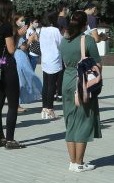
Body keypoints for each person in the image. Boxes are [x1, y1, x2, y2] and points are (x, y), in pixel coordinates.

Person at [61, 10, 102, 171]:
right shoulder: (88, 40)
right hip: (82, 82)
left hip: (67, 80)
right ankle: (79, 162)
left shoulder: (64, 40)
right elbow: (98, 64)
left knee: (70, 121)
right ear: (85, 24)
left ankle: (72, 162)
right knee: (84, 120)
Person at [0, 1, 24, 149]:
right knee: (12, 104)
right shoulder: (6, 26)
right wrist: (18, 36)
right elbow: (10, 49)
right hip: (8, 66)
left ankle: (0, 138)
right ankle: (10, 140)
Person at [13, 15, 43, 110]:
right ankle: (16, 104)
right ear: (16, 21)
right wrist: (30, 40)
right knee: (21, 80)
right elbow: (23, 47)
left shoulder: (18, 33)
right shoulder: (16, 33)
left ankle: (17, 104)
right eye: (21, 20)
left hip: (21, 56)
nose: (23, 22)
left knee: (22, 80)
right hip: (19, 57)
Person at [38, 11, 64, 120]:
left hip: (45, 60)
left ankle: (44, 108)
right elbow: (61, 43)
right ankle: (50, 109)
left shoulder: (42, 30)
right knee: (52, 86)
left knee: (46, 84)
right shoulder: (55, 30)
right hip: (54, 59)